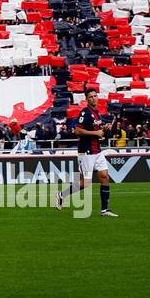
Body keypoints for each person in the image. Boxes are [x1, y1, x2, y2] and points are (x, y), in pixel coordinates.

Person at [54, 87, 118, 216]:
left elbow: (96, 130)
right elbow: (77, 131)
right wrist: (96, 132)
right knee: (85, 183)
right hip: (86, 151)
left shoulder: (96, 113)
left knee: (105, 177)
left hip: (97, 150)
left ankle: (104, 210)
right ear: (87, 99)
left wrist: (103, 129)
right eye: (91, 97)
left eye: (95, 96)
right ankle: (61, 195)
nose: (94, 98)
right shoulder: (85, 112)